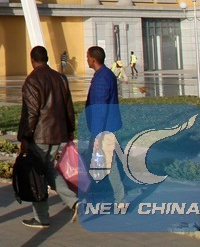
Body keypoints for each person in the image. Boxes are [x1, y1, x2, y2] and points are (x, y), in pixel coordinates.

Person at [17, 45, 78, 229]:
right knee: (48, 170)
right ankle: (74, 202)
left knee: (38, 175)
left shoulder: (32, 80)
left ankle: (42, 217)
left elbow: (32, 113)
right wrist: (70, 129)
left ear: (32, 60)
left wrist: (25, 137)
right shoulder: (60, 78)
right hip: (57, 133)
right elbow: (68, 106)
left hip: (40, 136)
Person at [85, 45, 125, 204]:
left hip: (103, 129)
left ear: (93, 59)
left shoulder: (102, 78)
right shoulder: (106, 74)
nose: (87, 60)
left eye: (88, 57)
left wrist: (97, 135)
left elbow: (100, 108)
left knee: (108, 163)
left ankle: (118, 199)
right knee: (99, 161)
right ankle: (91, 194)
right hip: (106, 127)